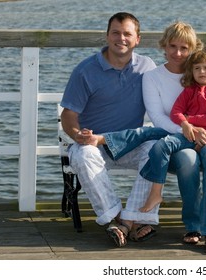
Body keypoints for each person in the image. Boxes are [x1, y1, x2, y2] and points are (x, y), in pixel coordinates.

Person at [60, 12, 159, 248]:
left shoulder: (147, 67)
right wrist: (77, 136)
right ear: (107, 36)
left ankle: (130, 218)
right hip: (93, 144)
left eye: (127, 34)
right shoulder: (86, 70)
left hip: (129, 144)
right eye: (115, 32)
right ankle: (115, 219)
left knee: (156, 149)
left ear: (138, 39)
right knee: (83, 154)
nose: (121, 38)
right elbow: (68, 115)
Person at [142, 21, 206, 254]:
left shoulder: (204, 70)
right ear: (164, 46)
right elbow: (158, 116)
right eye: (173, 46)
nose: (178, 53)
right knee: (187, 160)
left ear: (193, 48)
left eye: (185, 47)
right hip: (177, 139)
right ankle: (192, 226)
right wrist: (188, 129)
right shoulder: (152, 77)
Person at [139, 47, 206, 213]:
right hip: (186, 135)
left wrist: (188, 119)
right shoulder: (190, 90)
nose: (201, 71)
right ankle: (157, 192)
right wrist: (185, 124)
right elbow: (175, 112)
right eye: (197, 68)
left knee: (160, 144)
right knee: (156, 143)